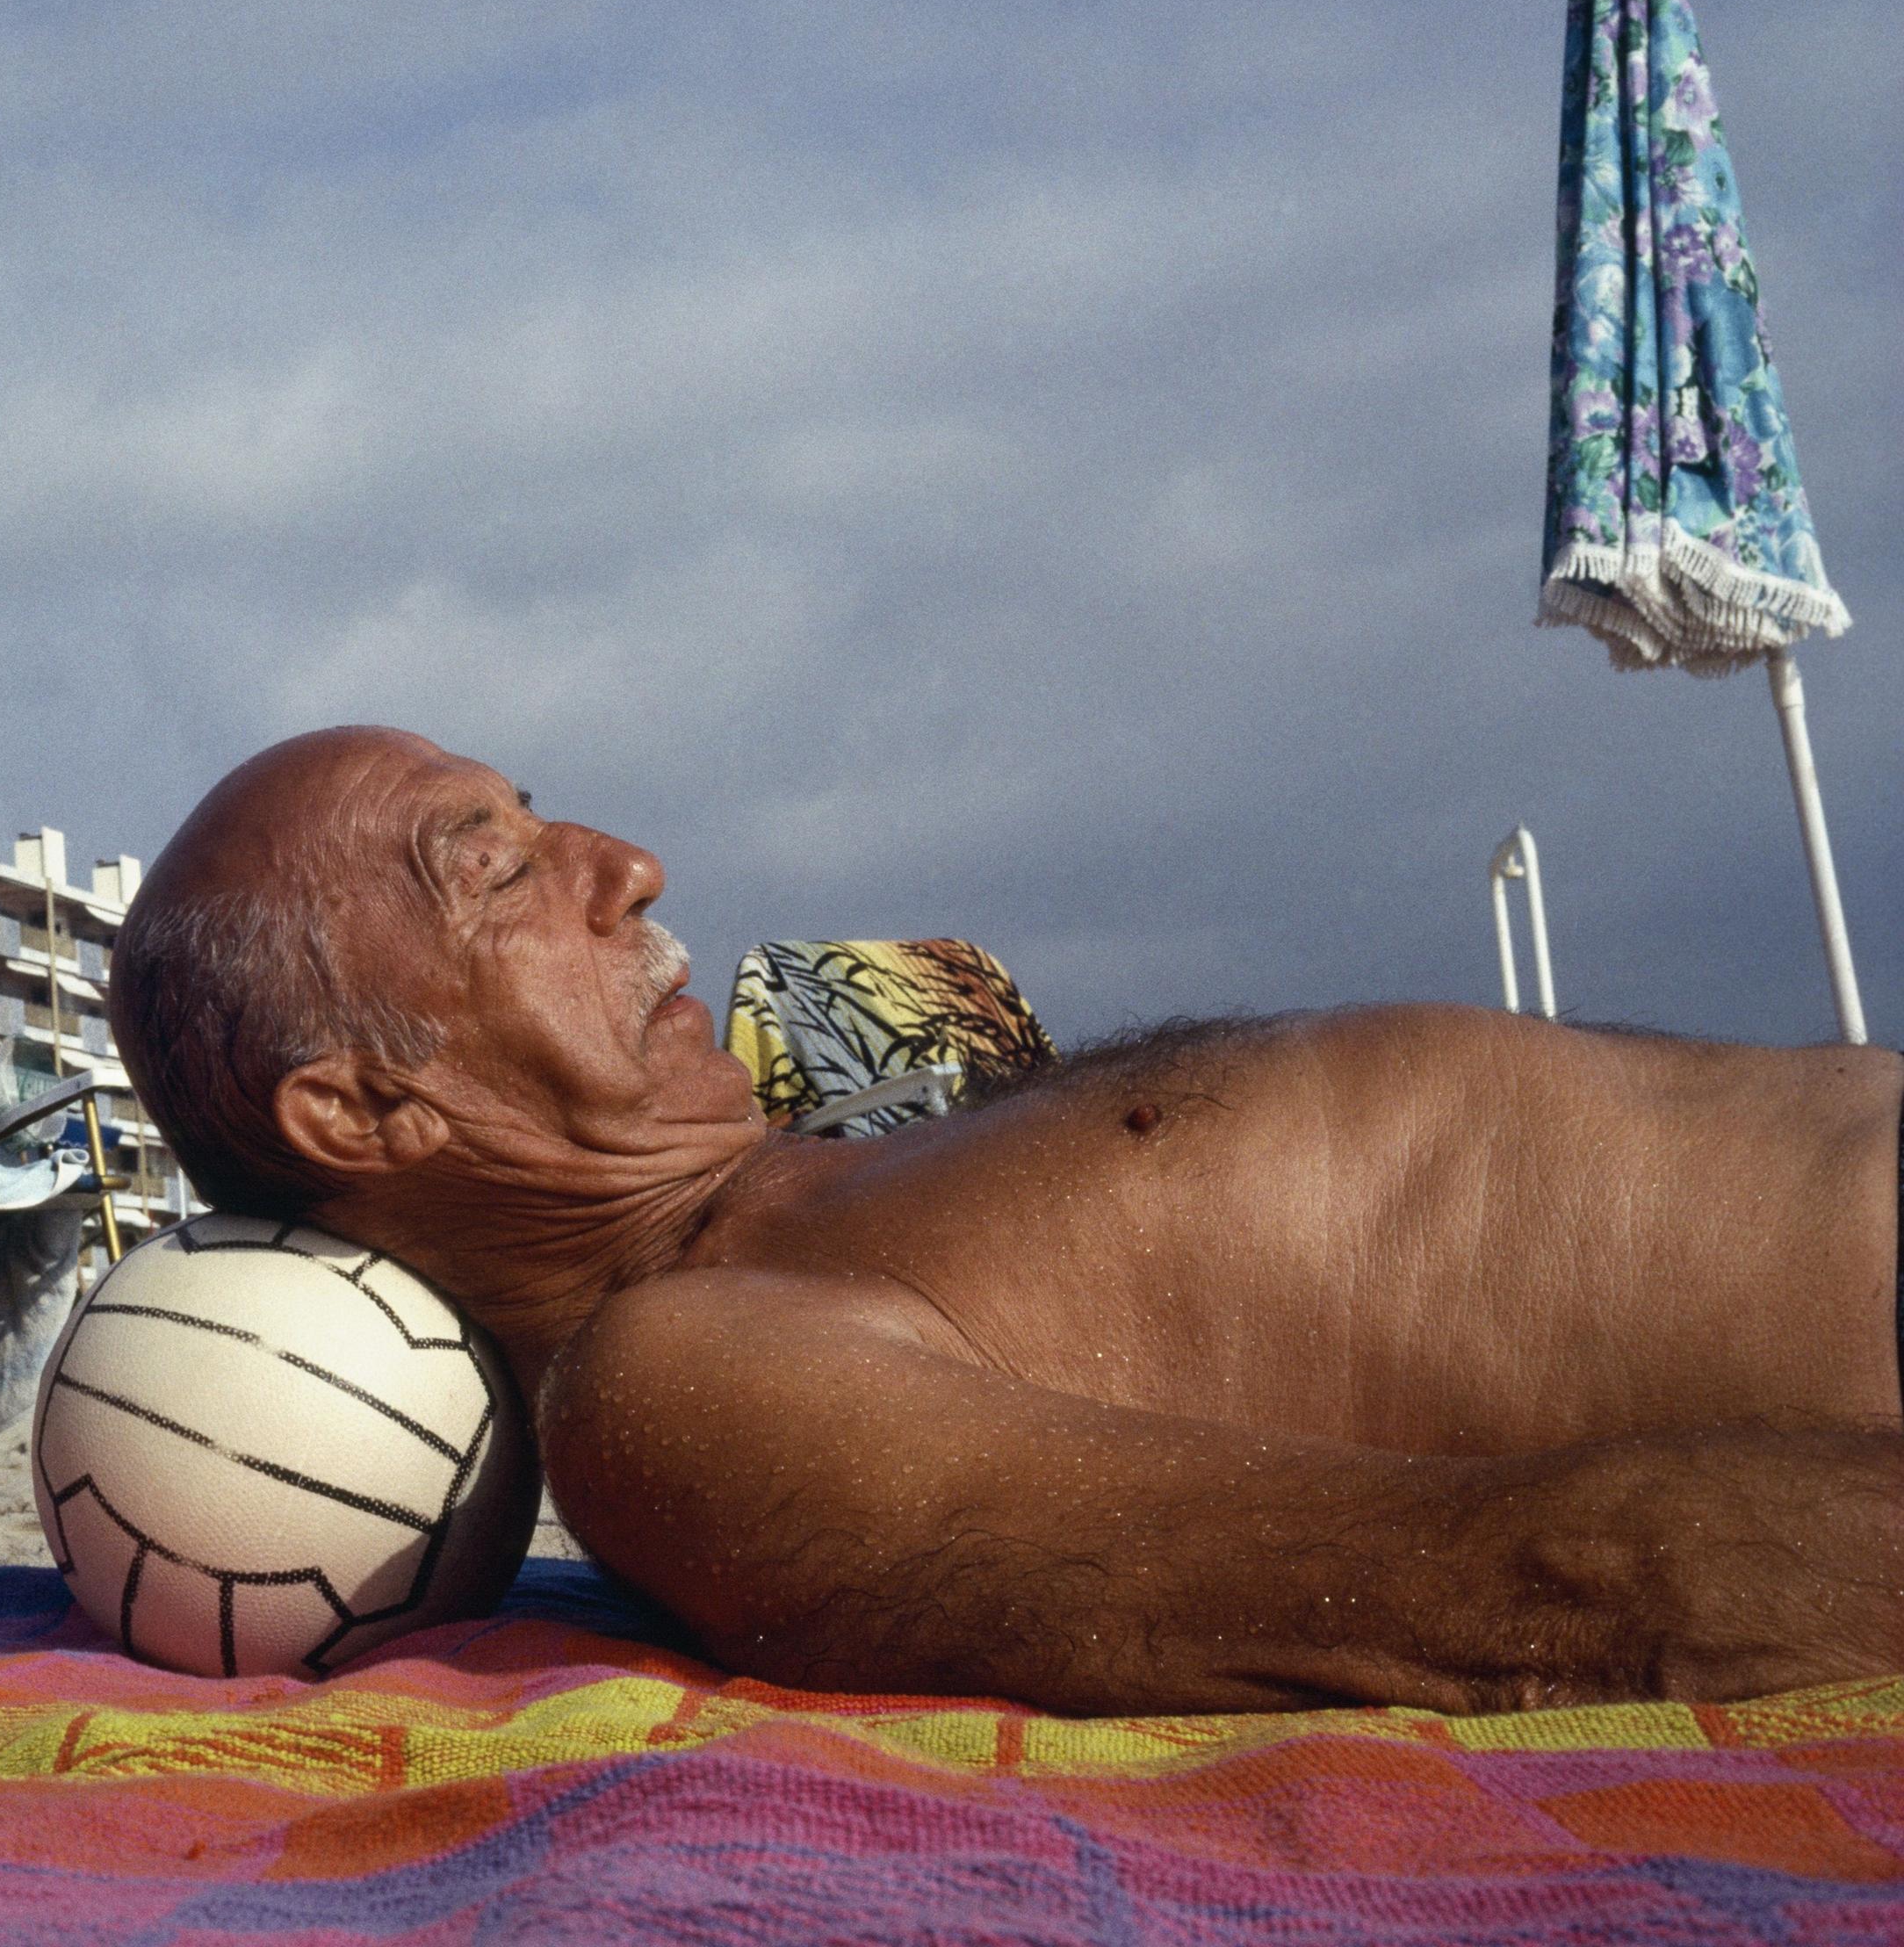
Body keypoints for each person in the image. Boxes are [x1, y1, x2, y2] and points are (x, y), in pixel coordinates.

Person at [107, 726, 1904, 1716]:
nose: (625, 863)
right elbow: (1512, 1589)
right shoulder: (683, 1373)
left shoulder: (816, 1199)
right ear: (363, 1108)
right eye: (499, 870)